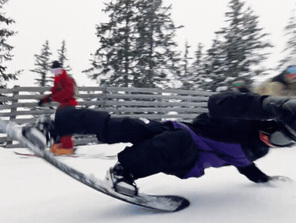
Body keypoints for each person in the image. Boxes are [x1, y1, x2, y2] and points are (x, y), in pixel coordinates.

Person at [25, 91, 296, 197]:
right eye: (276, 134)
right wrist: (264, 104)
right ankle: (53, 127)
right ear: (268, 121)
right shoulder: (241, 119)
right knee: (127, 126)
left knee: (174, 144)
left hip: (188, 157)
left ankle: (123, 171)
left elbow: (245, 166)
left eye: (283, 142)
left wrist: (266, 181)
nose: (272, 142)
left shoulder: (259, 149)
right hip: (178, 131)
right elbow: (217, 102)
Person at [37, 60, 78, 155]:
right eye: (54, 71)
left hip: (69, 105)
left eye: (58, 70)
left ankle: (68, 147)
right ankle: (63, 144)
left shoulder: (67, 79)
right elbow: (54, 93)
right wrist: (44, 100)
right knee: (58, 125)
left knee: (65, 125)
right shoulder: (58, 81)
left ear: (61, 70)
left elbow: (68, 92)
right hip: (63, 106)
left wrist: (53, 98)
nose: (56, 73)